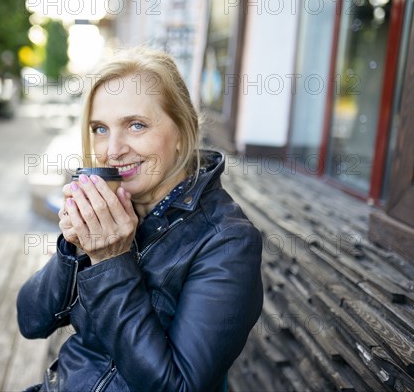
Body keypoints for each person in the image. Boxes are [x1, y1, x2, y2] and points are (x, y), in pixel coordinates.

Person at [17, 47, 263, 392]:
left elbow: (178, 387)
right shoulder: (118, 204)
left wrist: (111, 260)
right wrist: (71, 248)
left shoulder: (227, 241)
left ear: (182, 131)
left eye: (136, 125)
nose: (113, 149)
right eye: (100, 129)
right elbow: (31, 320)